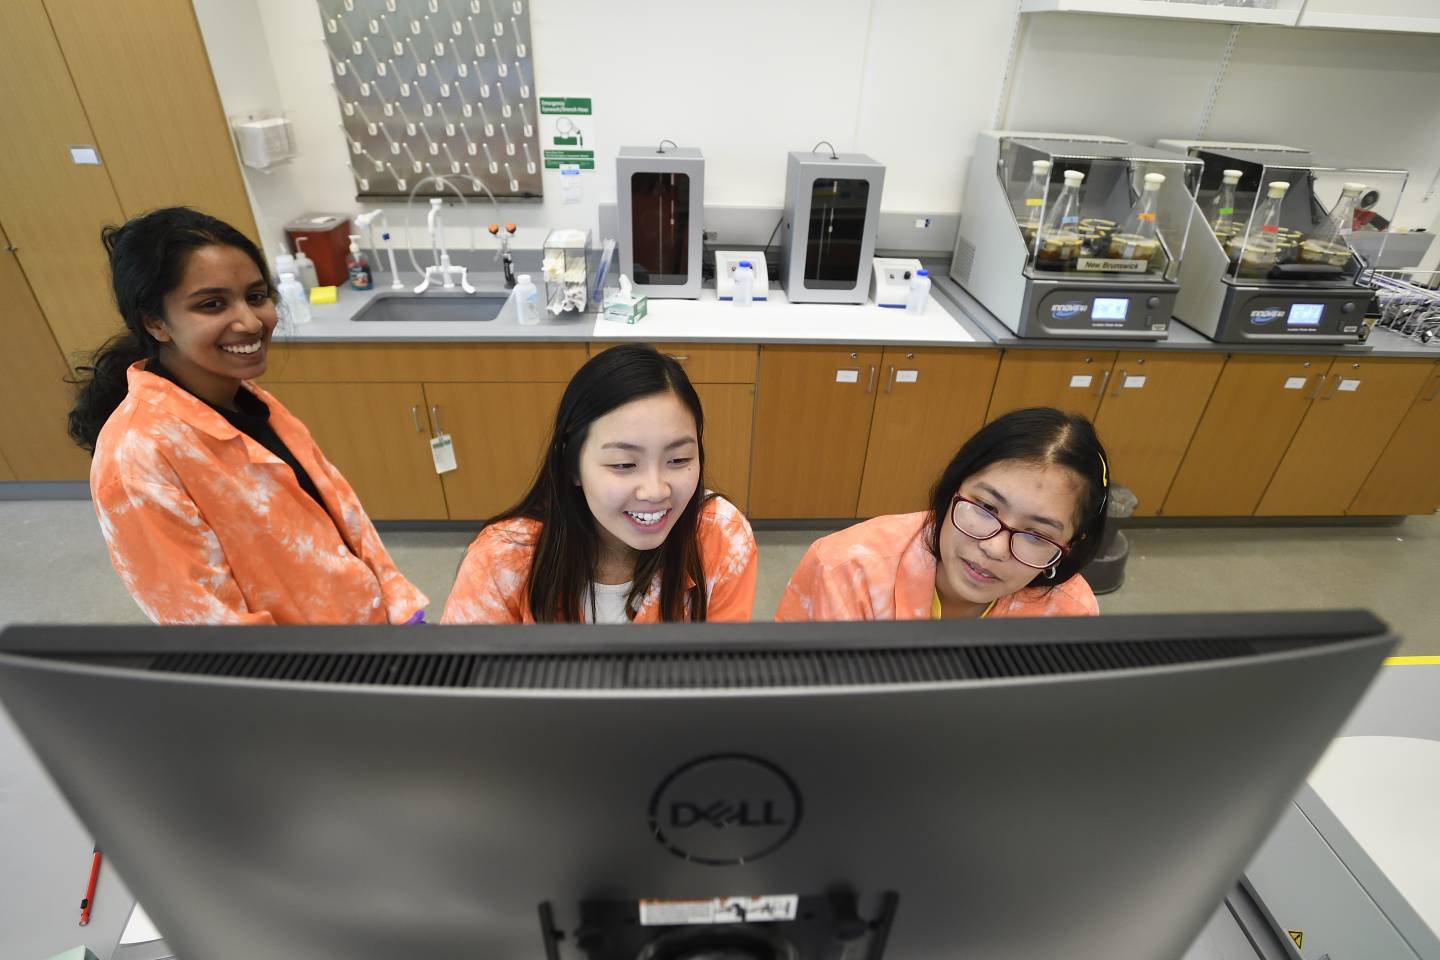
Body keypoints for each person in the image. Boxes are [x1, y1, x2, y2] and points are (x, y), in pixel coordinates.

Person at [67, 207, 427, 624]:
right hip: (310, 674)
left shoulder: (250, 403)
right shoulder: (136, 460)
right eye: (212, 304)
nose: (251, 321)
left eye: (256, 296)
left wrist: (398, 608)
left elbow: (342, 520)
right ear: (156, 322)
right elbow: (212, 629)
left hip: (370, 631)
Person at [442, 344, 756, 624]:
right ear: (573, 465)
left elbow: (720, 677)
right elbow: (465, 680)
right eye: (624, 464)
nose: (656, 490)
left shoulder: (722, 538)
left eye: (678, 460)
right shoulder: (501, 559)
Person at [776, 407, 1107, 621]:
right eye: (986, 508)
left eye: (1036, 535)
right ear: (954, 489)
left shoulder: (1069, 610)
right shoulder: (846, 569)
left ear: (1071, 545)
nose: (993, 548)